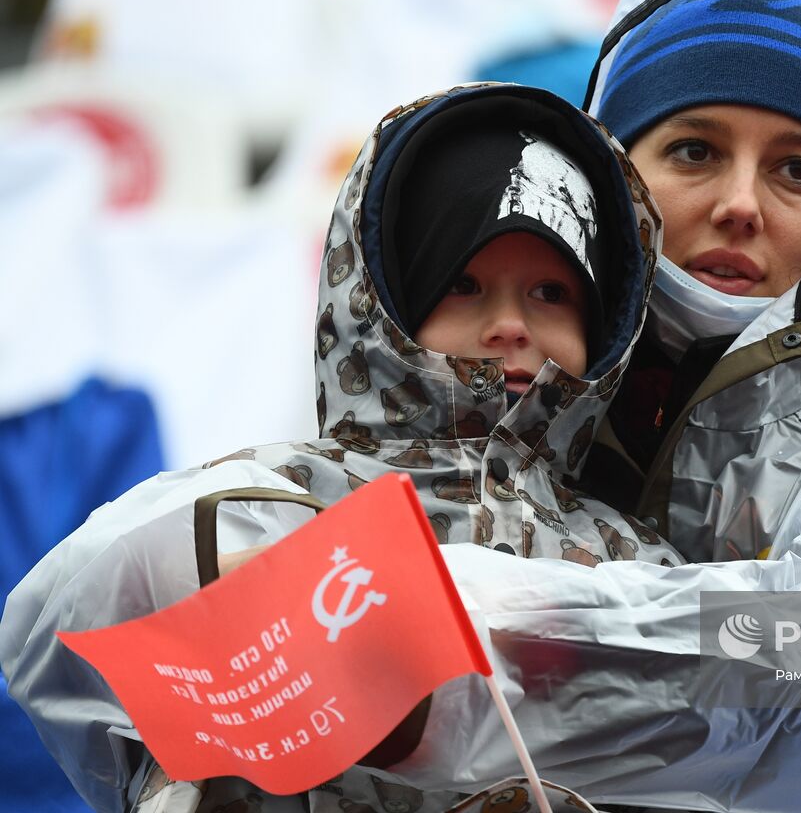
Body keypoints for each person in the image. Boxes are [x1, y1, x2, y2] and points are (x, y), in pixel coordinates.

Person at [1, 81, 680, 812]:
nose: (510, 324)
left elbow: (755, 698)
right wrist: (216, 581)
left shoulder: (628, 556)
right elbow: (50, 629)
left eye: (551, 292)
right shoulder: (280, 501)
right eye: (464, 284)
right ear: (385, 304)